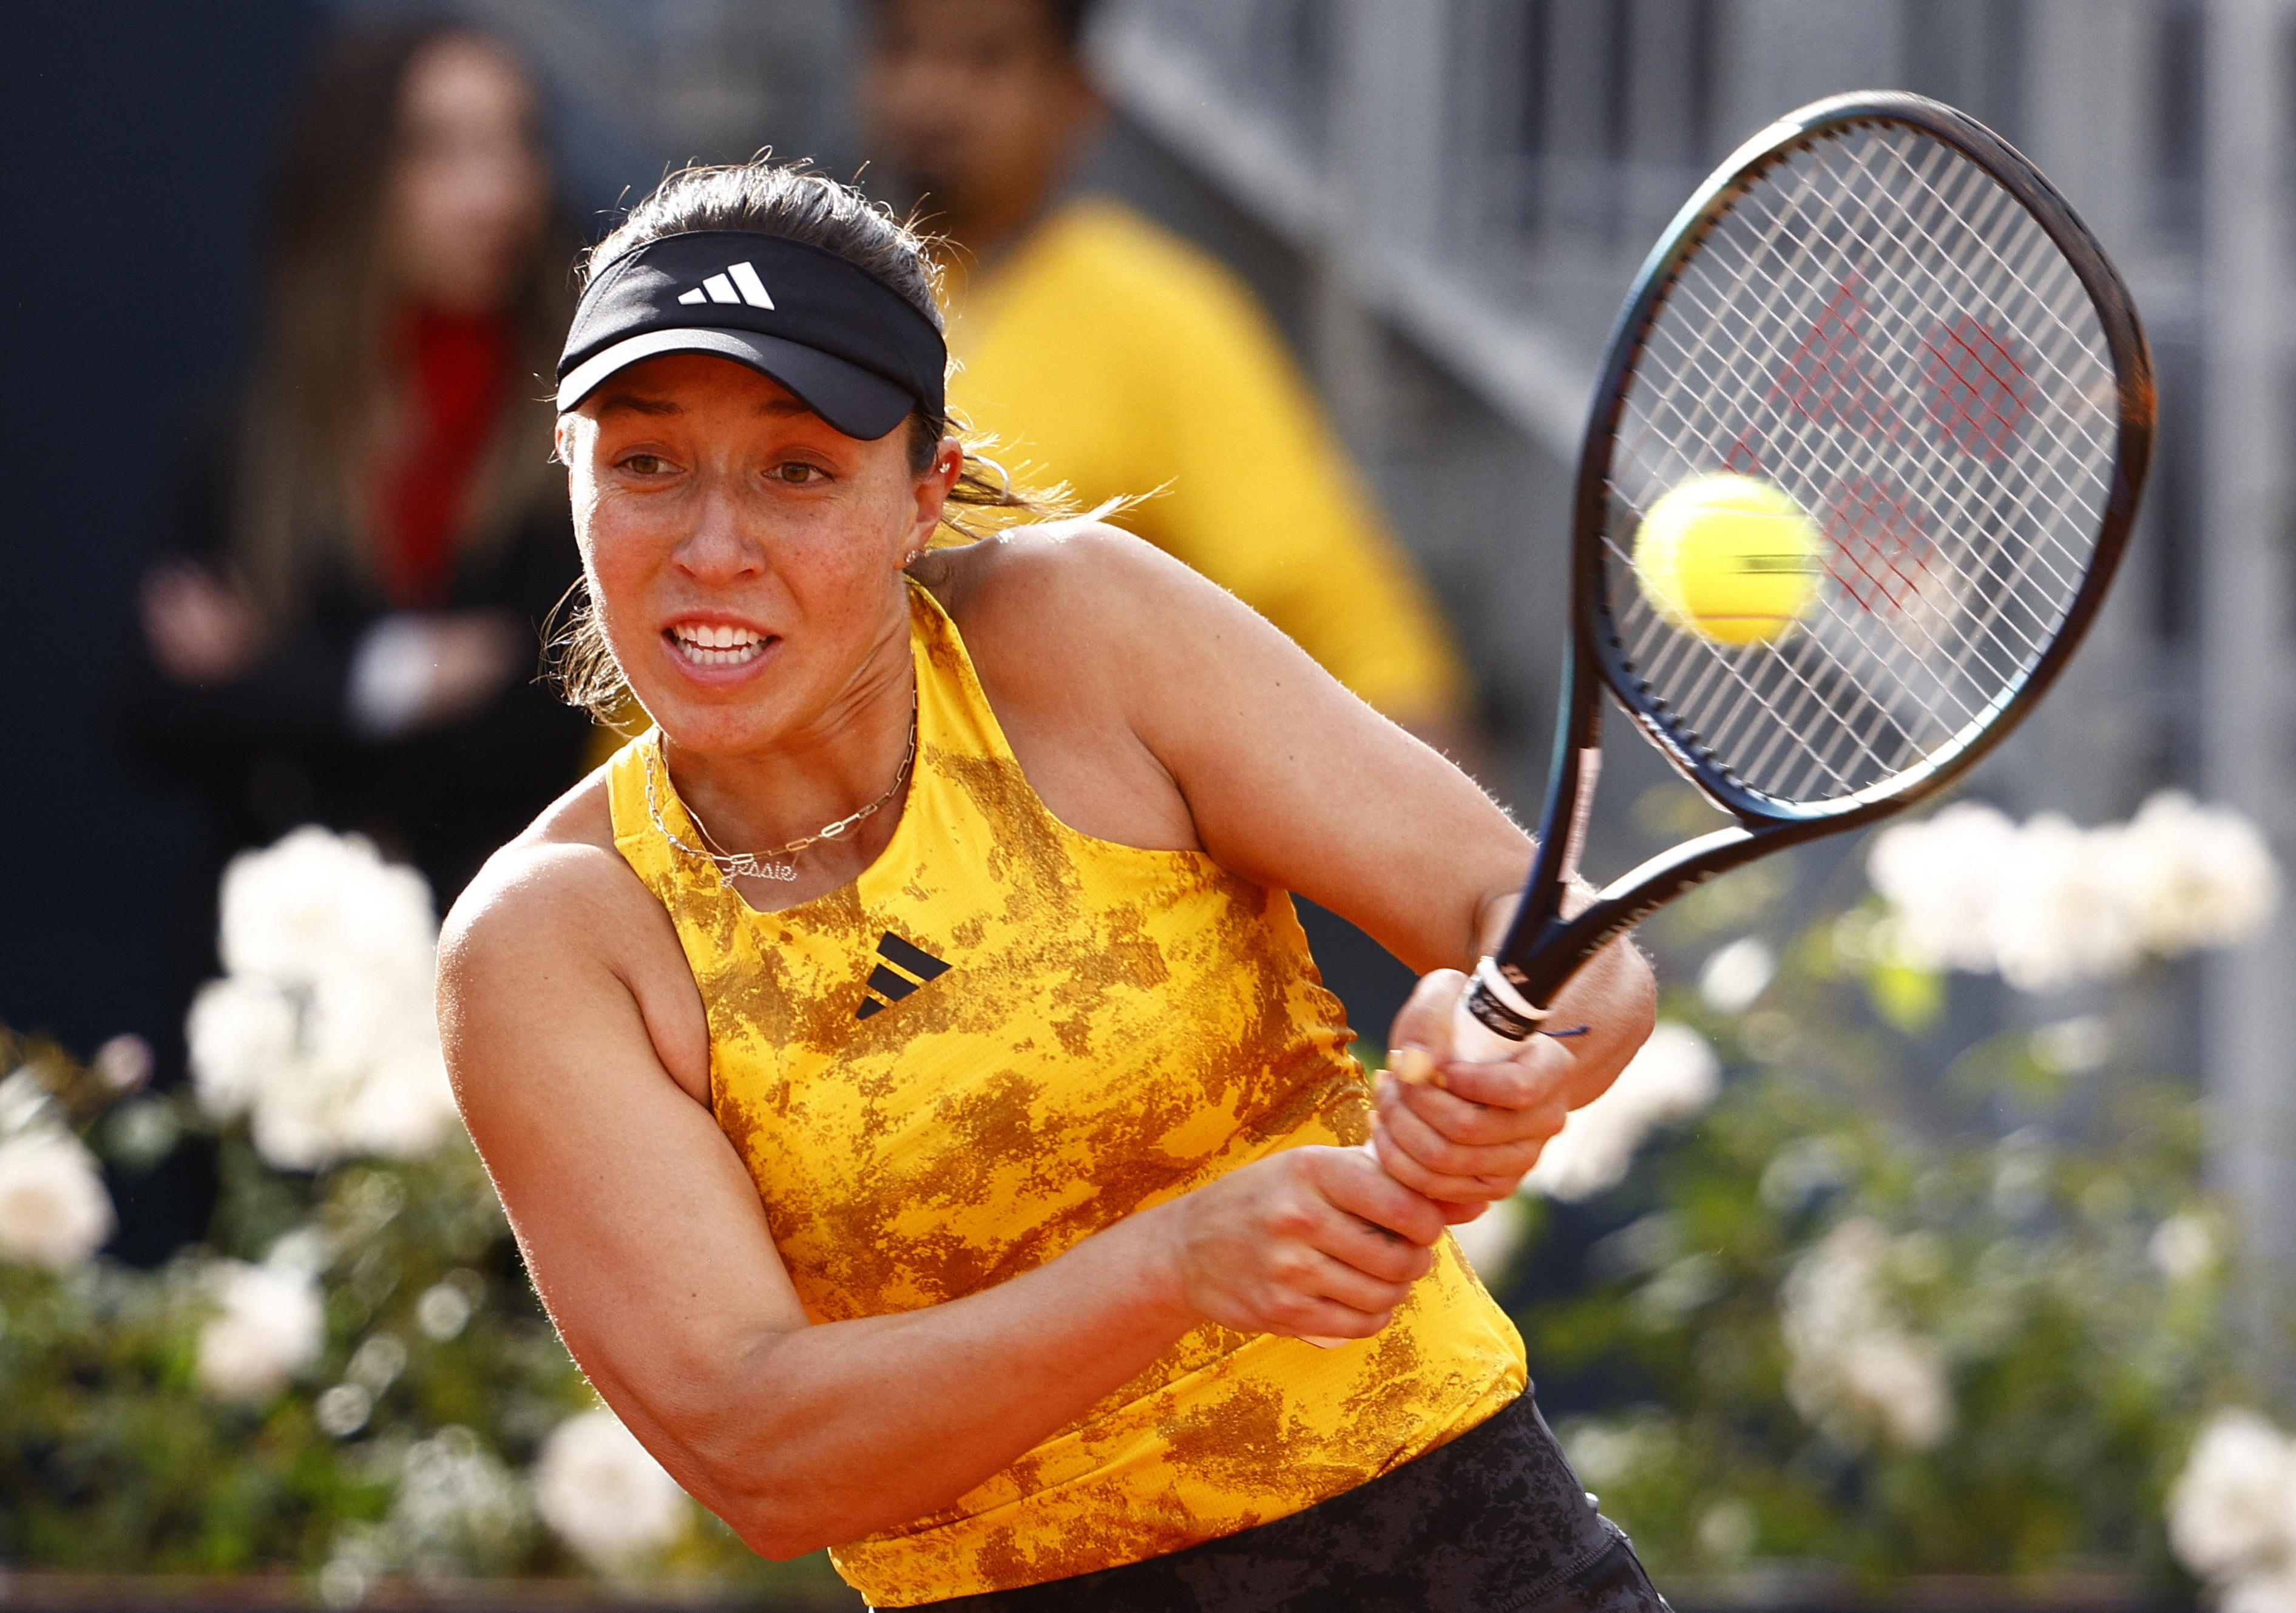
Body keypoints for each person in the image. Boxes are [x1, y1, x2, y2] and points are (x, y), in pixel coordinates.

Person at [440, 159, 1662, 1611]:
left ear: (925, 490)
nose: (714, 547)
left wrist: (1516, 1052)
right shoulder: (548, 942)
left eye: (797, 469)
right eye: (646, 463)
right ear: (569, 471)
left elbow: (1565, 951)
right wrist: (1176, 1265)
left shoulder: (1086, 628)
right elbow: (762, 1449)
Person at [857, 0, 1478, 757]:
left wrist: (1463, 860)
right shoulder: (818, 301)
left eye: (986, 58)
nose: (932, 92)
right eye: (904, 48)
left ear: (1079, 97)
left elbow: (1343, 622)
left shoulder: (1161, 313)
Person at [126, 17, 592, 910]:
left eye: (516, 142)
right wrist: (398, 676)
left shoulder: (580, 434)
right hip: (269, 981)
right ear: (355, 173)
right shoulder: (247, 438)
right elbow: (152, 713)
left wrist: (272, 677)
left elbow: (531, 731)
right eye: (440, 149)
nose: (494, 192)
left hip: (503, 958)